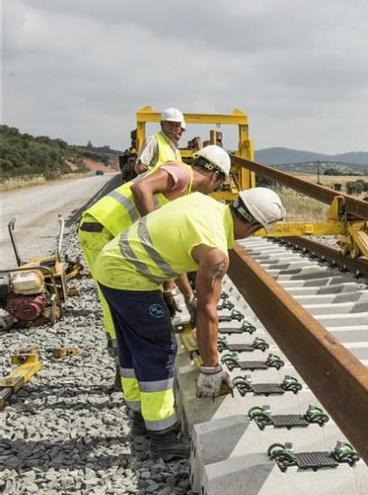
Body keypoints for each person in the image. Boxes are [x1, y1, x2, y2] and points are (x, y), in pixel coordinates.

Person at [91, 187, 286, 459]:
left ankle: (140, 417)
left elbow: (174, 253)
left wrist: (184, 294)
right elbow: (208, 309)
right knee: (159, 348)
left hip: (109, 264)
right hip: (129, 277)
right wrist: (210, 366)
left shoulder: (202, 203)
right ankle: (163, 436)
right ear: (254, 226)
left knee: (131, 344)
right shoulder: (216, 253)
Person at [78, 145, 232, 358]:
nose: (212, 192)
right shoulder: (181, 173)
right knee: (115, 300)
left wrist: (182, 294)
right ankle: (123, 360)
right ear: (215, 176)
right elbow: (141, 188)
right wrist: (152, 230)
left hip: (106, 231)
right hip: (102, 228)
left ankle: (126, 358)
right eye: (218, 186)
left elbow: (167, 255)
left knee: (121, 299)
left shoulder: (183, 191)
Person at [133, 107, 187, 175]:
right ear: (162, 124)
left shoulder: (175, 149)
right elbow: (140, 167)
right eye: (170, 124)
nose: (173, 128)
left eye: (176, 126)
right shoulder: (154, 140)